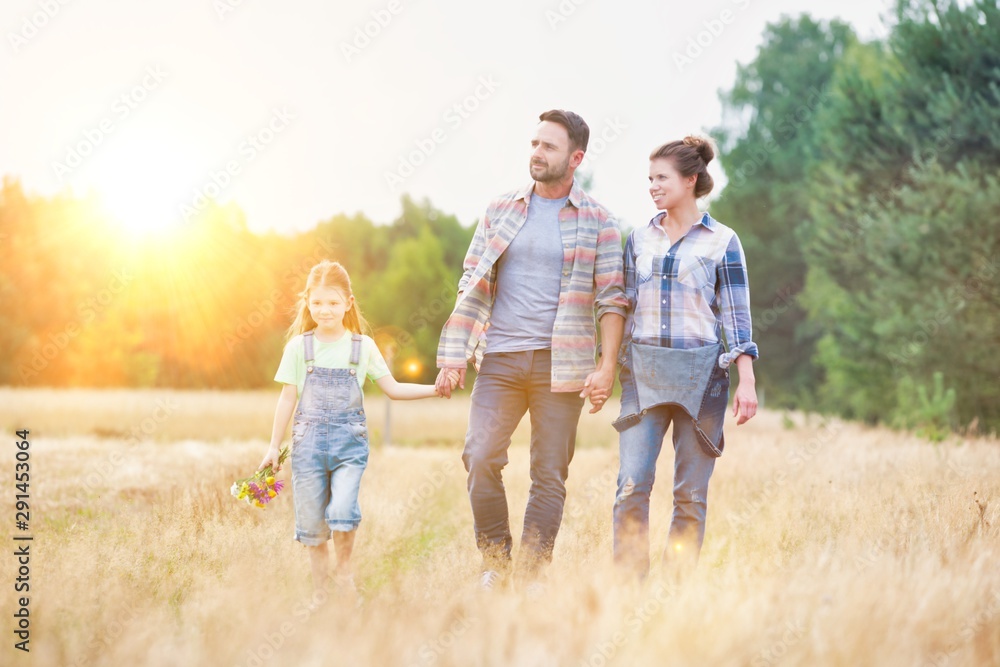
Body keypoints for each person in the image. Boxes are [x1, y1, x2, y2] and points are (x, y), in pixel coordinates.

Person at [435, 109, 628, 590]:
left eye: (549, 147)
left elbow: (611, 300)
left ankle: (531, 575)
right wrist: (455, 353)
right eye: (534, 144)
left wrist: (606, 367)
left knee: (548, 473)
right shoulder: (501, 209)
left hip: (561, 365)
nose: (537, 154)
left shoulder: (600, 222)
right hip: (499, 358)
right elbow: (472, 281)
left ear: (575, 157)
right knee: (479, 457)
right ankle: (495, 566)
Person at [612, 136, 759, 579]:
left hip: (704, 380)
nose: (652, 186)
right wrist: (608, 365)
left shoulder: (723, 241)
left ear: (690, 180)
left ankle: (675, 589)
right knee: (631, 487)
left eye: (662, 178)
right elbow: (624, 305)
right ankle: (627, 587)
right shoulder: (638, 238)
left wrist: (747, 381)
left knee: (690, 495)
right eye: (649, 178)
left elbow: (736, 315)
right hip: (644, 374)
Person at [258, 260, 440, 596]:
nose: (324, 310)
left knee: (342, 511)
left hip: (349, 448)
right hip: (307, 448)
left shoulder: (362, 347)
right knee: (312, 526)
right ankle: (320, 593)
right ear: (307, 303)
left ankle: (344, 575)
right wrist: (273, 446)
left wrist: (435, 389)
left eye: (332, 303)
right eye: (317, 303)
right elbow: (287, 398)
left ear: (348, 303)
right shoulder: (299, 347)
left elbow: (394, 389)